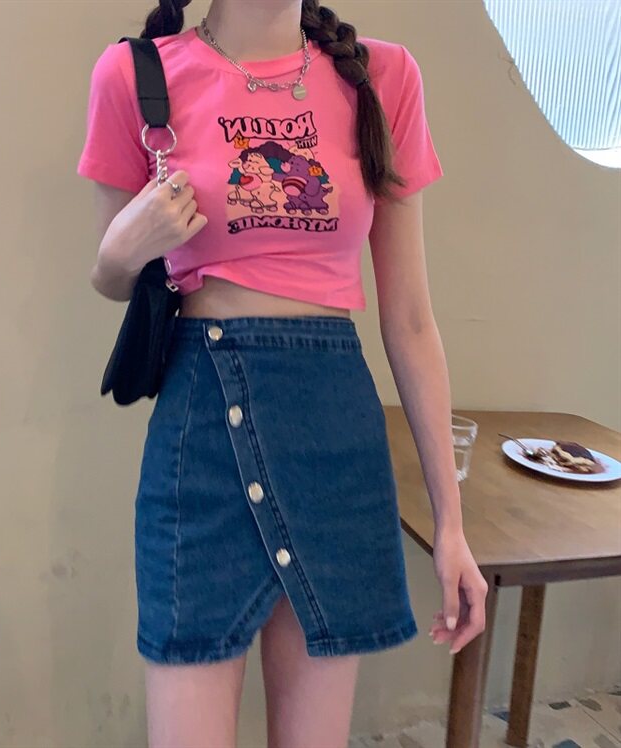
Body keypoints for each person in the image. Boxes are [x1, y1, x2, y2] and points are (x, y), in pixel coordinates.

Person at [77, 1, 488, 746]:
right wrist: (123, 249)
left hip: (334, 441)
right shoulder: (136, 75)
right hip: (201, 436)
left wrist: (451, 526)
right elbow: (112, 276)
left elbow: (410, 320)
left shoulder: (382, 76)